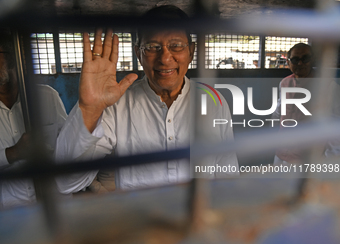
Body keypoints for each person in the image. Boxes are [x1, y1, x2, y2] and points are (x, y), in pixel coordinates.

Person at [55, 5, 239, 193]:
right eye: (152, 47)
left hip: (198, 217)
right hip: (140, 221)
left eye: (176, 45)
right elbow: (66, 183)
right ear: (138, 53)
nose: (165, 58)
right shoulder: (117, 105)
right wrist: (89, 110)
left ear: (191, 51)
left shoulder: (213, 101)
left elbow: (227, 171)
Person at [0, 30, 67, 208]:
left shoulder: (47, 96)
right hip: (10, 210)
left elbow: (67, 143)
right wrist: (13, 153)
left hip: (55, 203)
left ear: (12, 59)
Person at [272, 43, 340, 164]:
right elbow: (279, 110)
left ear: (312, 61)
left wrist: (330, 160)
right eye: (295, 59)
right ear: (288, 62)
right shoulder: (285, 83)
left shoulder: (328, 86)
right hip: (282, 153)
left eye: (305, 59)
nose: (300, 63)